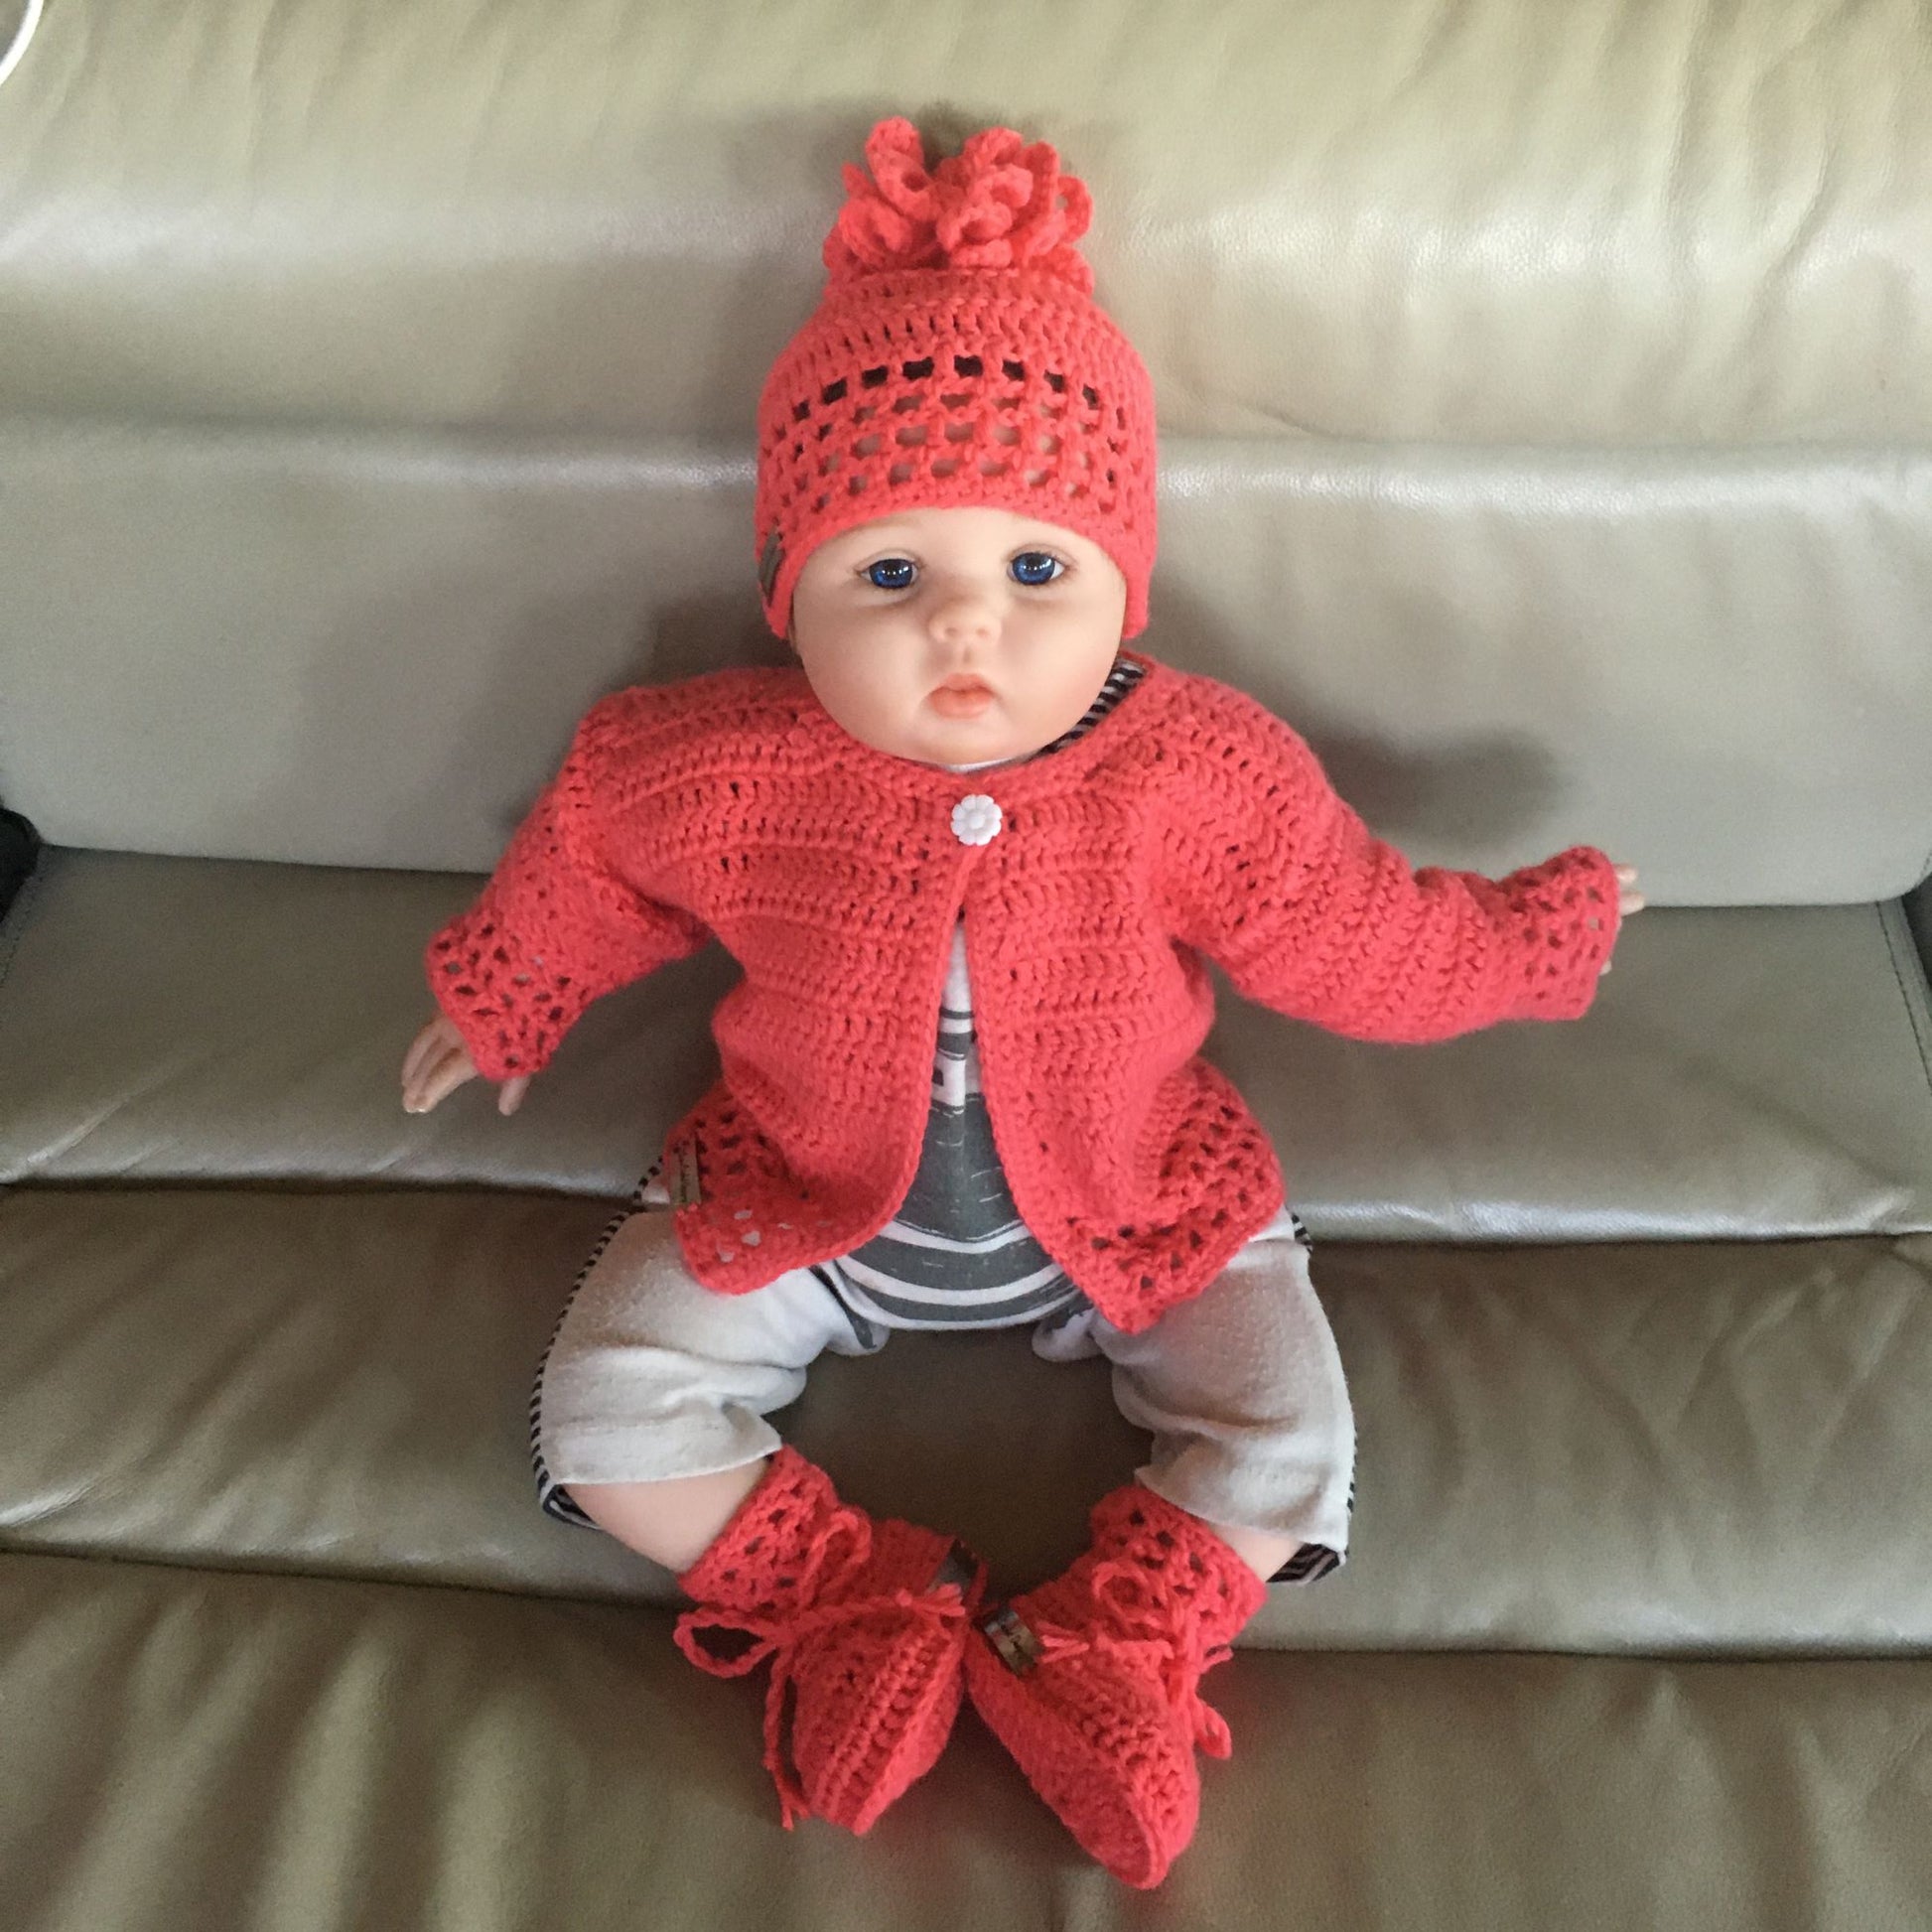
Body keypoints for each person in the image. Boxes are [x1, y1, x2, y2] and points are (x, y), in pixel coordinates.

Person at [399, 114, 1644, 1888]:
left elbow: (1349, 928)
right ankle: (846, 1600)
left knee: (1291, 1431)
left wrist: (1528, 939)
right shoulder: (721, 762)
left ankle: (1118, 1641)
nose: (963, 634)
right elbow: (597, 843)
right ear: (789, 589)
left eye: (1035, 571)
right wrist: (509, 988)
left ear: (1125, 579)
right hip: (798, 1198)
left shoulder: (1196, 769)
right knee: (599, 1411)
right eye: (888, 575)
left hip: (1138, 1202)